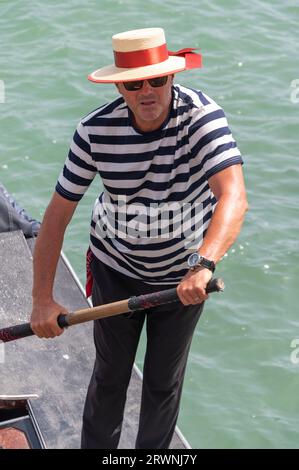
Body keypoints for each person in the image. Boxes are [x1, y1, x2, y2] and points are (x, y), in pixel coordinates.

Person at [30, 27, 248, 449]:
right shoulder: (94, 130)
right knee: (110, 376)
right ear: (120, 86)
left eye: (157, 80)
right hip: (116, 267)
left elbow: (233, 197)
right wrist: (42, 299)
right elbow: (57, 216)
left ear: (171, 77)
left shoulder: (201, 118)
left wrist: (202, 266)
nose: (147, 91)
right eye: (134, 83)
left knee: (164, 381)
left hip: (183, 275)